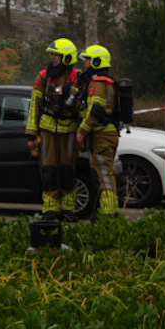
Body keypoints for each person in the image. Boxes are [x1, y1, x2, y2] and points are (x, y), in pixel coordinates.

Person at [26, 37, 85, 219]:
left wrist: (84, 130)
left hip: (69, 130)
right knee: (49, 168)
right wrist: (31, 133)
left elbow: (84, 106)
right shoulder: (44, 76)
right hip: (48, 128)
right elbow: (35, 104)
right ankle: (50, 208)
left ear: (67, 57)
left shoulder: (78, 76)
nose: (53, 57)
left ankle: (68, 207)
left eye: (56, 55)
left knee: (68, 169)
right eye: (52, 54)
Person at [75, 44, 121, 218]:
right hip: (105, 133)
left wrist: (82, 131)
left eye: (87, 60)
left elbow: (95, 110)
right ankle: (105, 209)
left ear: (96, 61)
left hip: (102, 135)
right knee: (103, 171)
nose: (85, 63)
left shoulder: (98, 82)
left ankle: (109, 213)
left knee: (104, 172)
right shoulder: (103, 81)